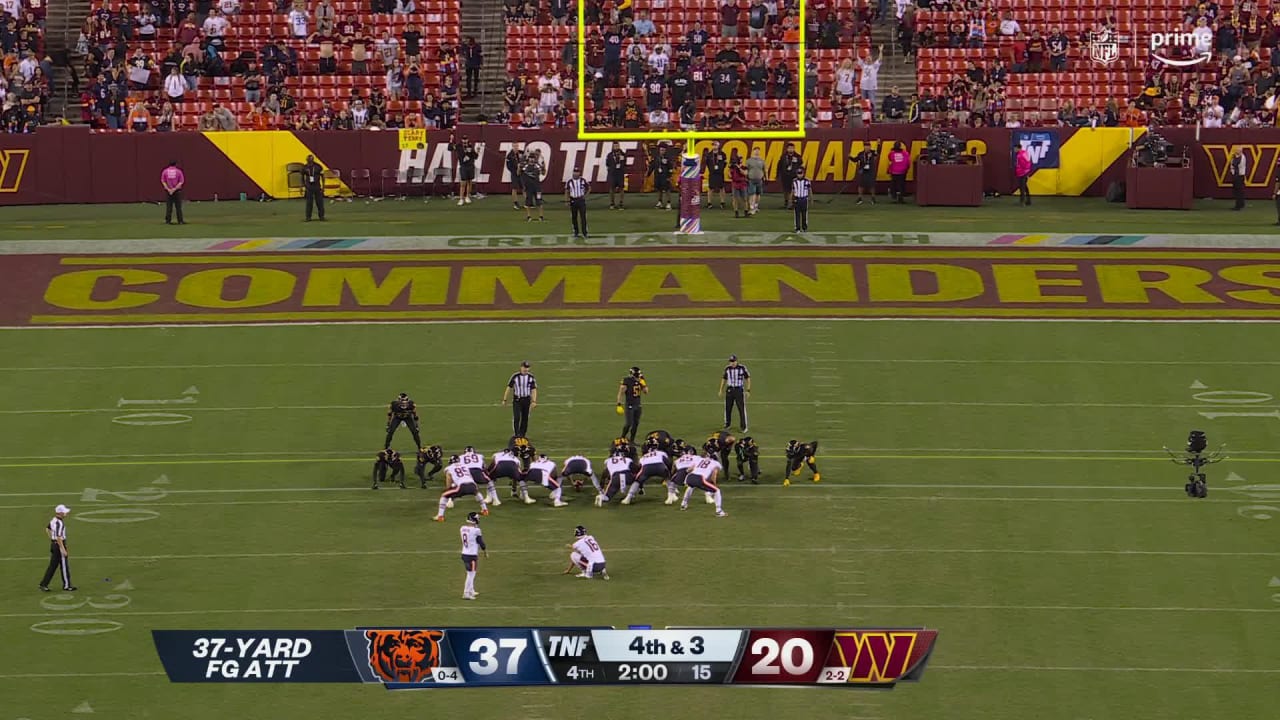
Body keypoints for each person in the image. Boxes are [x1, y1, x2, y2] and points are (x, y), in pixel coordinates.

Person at [434, 455, 491, 522]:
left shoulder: (448, 468)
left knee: (444, 495)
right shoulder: (465, 466)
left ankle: (440, 516)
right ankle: (485, 510)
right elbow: (470, 476)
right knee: (477, 493)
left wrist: (448, 488)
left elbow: (449, 478)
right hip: (472, 484)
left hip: (462, 486)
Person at [680, 447, 727, 517]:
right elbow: (714, 475)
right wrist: (714, 485)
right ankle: (719, 511)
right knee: (717, 491)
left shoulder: (700, 459)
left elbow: (689, 469)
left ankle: (683, 504)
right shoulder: (716, 463)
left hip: (690, 477)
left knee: (691, 486)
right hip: (700, 478)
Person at [39, 504, 75, 592]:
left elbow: (47, 529)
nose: (66, 513)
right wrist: (63, 549)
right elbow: (59, 537)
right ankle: (67, 585)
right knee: (64, 566)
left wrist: (52, 539)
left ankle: (43, 584)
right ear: (60, 513)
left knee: (52, 566)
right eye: (65, 512)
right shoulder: (60, 523)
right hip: (59, 545)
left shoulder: (53, 520)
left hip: (54, 545)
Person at [623, 440, 669, 505]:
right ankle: (672, 494)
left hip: (647, 468)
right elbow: (667, 462)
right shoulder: (661, 453)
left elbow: (639, 468)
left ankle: (628, 497)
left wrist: (640, 483)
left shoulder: (643, 457)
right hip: (659, 467)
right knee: (668, 477)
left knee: (637, 481)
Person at [502, 361, 537, 437]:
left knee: (525, 418)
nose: (526, 369)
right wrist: (505, 399)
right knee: (517, 417)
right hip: (517, 400)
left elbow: (533, 389)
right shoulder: (515, 376)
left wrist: (534, 401)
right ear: (521, 367)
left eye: (527, 368)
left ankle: (523, 434)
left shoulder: (531, 377)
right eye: (524, 367)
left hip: (527, 400)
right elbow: (509, 387)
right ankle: (517, 434)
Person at [718, 354, 750, 431]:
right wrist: (720, 390)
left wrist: (748, 390)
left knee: (741, 408)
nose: (732, 363)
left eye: (733, 361)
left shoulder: (742, 368)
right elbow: (724, 379)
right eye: (731, 361)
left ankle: (743, 427)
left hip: (739, 390)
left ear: (736, 361)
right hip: (730, 390)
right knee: (728, 408)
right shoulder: (727, 369)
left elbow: (747, 378)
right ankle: (727, 424)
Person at [459, 512, 487, 600]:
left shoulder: (462, 528)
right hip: (471, 555)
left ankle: (471, 590)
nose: (478, 519)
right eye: (477, 518)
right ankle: (466, 593)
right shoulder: (476, 530)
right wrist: (485, 551)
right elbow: (481, 542)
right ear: (473, 520)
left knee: (470, 573)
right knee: (471, 574)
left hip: (464, 553)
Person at [616, 365, 647, 442]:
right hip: (630, 405)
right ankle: (622, 438)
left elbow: (646, 391)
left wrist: (643, 382)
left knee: (636, 423)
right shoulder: (627, 381)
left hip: (638, 405)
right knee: (629, 423)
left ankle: (632, 440)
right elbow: (621, 392)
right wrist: (619, 404)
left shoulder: (640, 381)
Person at [522, 149, 546, 222]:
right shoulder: (525, 166)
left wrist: (544, 167)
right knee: (528, 202)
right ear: (528, 159)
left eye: (533, 158)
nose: (531, 159)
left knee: (539, 201)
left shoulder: (537, 166)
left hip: (537, 187)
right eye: (530, 158)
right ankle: (529, 216)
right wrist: (519, 166)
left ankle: (541, 216)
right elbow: (519, 173)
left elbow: (543, 173)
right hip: (529, 187)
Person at [565, 167, 590, 237]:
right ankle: (576, 232)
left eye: (577, 172)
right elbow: (567, 191)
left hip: (581, 200)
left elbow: (589, 188)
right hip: (573, 200)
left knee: (583, 217)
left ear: (579, 173)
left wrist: (585, 195)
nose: (576, 173)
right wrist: (567, 200)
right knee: (574, 217)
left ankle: (585, 232)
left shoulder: (583, 180)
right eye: (575, 172)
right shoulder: (569, 181)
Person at [161, 160, 185, 224]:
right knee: (178, 207)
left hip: (168, 191)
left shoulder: (165, 171)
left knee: (169, 206)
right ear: (176, 164)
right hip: (177, 191)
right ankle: (180, 221)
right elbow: (181, 182)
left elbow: (163, 181)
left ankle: (168, 221)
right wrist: (174, 189)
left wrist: (169, 189)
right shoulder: (179, 171)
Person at [302, 154, 325, 220]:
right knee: (309, 202)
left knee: (320, 202)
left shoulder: (318, 166)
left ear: (313, 159)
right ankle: (308, 217)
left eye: (310, 159)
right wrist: (303, 185)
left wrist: (323, 186)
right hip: (309, 187)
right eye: (308, 159)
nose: (309, 160)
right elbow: (302, 177)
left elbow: (322, 176)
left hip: (317, 186)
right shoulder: (305, 167)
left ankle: (321, 216)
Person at [606, 142, 628, 208]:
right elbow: (607, 164)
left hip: (620, 173)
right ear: (613, 147)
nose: (616, 147)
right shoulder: (610, 155)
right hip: (613, 174)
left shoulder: (622, 154)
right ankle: (612, 203)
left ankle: (621, 203)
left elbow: (625, 163)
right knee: (612, 188)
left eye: (617, 146)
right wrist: (611, 170)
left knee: (621, 188)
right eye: (615, 146)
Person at [745, 147, 766, 215]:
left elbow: (764, 169)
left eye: (758, 151)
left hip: (759, 179)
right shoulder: (749, 161)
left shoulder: (762, 160)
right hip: (751, 179)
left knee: (758, 193)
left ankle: (756, 206)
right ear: (753, 151)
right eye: (755, 151)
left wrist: (765, 177)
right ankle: (752, 207)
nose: (757, 152)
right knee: (752, 193)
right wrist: (746, 177)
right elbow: (746, 169)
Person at [792, 167, 812, 232]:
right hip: (797, 199)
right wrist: (791, 199)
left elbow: (809, 190)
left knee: (804, 214)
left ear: (803, 174)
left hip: (804, 199)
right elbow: (792, 190)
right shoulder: (794, 181)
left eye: (801, 173)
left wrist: (811, 198)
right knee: (797, 214)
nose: (799, 175)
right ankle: (797, 228)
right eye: (798, 173)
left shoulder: (807, 181)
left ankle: (804, 227)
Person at [506, 143, 525, 209]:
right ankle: (515, 203)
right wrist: (515, 171)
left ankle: (528, 202)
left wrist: (521, 169)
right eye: (515, 146)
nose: (516, 147)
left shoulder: (521, 153)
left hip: (521, 173)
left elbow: (525, 159)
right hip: (514, 174)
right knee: (514, 188)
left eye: (517, 146)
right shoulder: (509, 155)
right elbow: (508, 166)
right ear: (512, 146)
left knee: (524, 187)